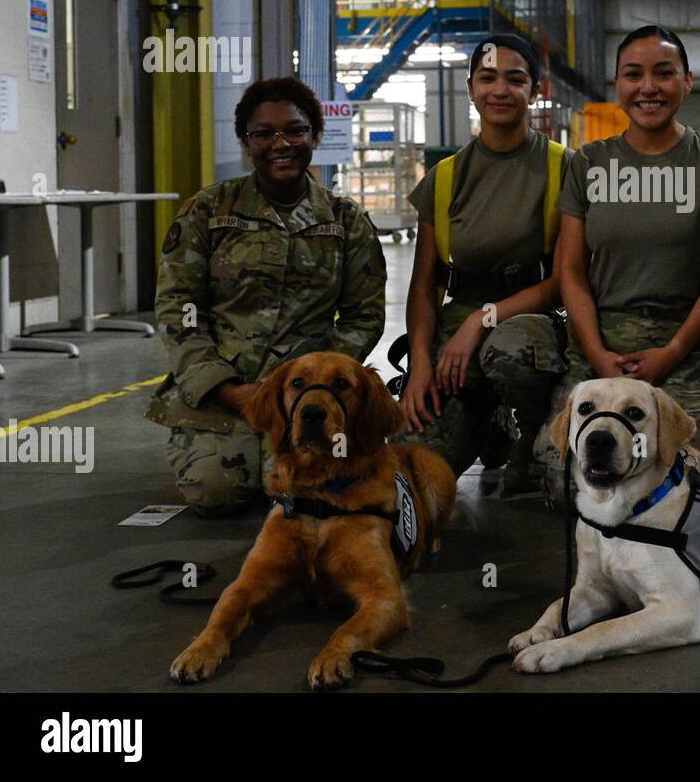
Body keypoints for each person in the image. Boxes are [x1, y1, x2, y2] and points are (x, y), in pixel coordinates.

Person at [147, 76, 387, 516]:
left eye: (295, 131)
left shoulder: (345, 221)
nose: (282, 144)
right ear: (246, 141)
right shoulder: (208, 211)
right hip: (226, 392)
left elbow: (364, 316)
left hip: (310, 397)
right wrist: (225, 388)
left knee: (308, 493)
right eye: (264, 133)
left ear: (314, 135)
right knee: (214, 492)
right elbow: (177, 308)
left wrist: (315, 384)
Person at [536, 25, 700, 502]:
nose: (648, 87)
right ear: (618, 85)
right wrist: (596, 356)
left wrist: (672, 352)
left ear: (687, 82)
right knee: (565, 481)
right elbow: (570, 270)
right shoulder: (588, 163)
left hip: (688, 353)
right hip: (601, 345)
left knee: (680, 474)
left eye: (664, 73)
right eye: (633, 74)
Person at [399, 34, 569, 494]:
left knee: (510, 349)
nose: (500, 90)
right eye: (487, 78)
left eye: (515, 79)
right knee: (413, 468)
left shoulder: (564, 167)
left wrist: (483, 318)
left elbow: (567, 280)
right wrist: (419, 365)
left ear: (534, 90)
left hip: (533, 320)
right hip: (459, 331)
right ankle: (486, 422)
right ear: (471, 89)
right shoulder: (445, 177)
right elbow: (424, 286)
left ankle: (535, 431)